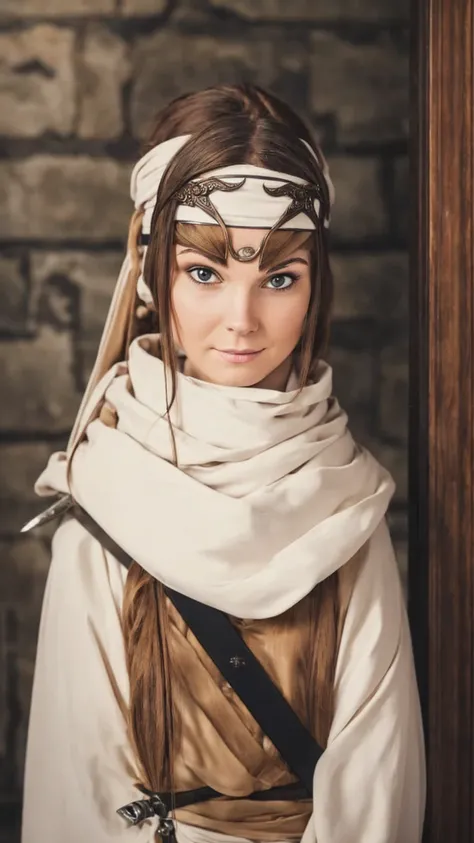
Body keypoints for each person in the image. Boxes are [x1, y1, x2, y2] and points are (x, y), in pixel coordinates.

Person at [21, 84, 425, 843]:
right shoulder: (105, 503)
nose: (243, 319)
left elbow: (379, 787)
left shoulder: (346, 508)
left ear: (316, 285)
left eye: (278, 278)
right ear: (151, 273)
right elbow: (74, 803)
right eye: (204, 272)